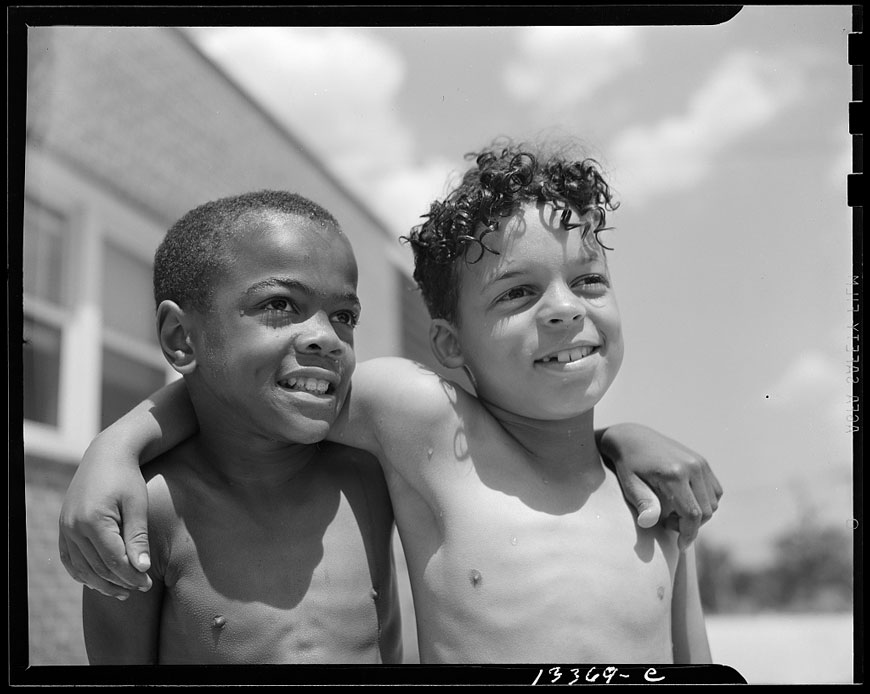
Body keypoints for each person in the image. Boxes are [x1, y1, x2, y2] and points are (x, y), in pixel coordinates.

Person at [62, 139, 721, 663]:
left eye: (589, 280)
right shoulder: (417, 421)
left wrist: (621, 437)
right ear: (449, 343)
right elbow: (242, 389)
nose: (563, 309)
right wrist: (115, 448)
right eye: (518, 292)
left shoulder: (653, 502)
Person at [80, 191, 403, 664]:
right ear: (180, 338)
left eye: (344, 316)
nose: (327, 338)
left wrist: (115, 444)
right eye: (280, 303)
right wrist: (111, 452)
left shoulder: (375, 471)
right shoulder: (148, 514)